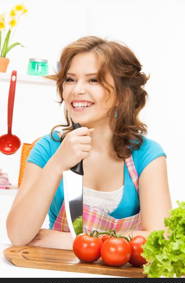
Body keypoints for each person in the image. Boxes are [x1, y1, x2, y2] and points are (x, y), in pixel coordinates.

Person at [6, 36, 172, 250]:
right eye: (70, 79)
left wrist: (71, 241)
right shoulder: (47, 149)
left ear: (123, 94)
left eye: (93, 80)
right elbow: (19, 235)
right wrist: (57, 164)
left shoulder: (147, 155)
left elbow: (160, 239)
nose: (77, 90)